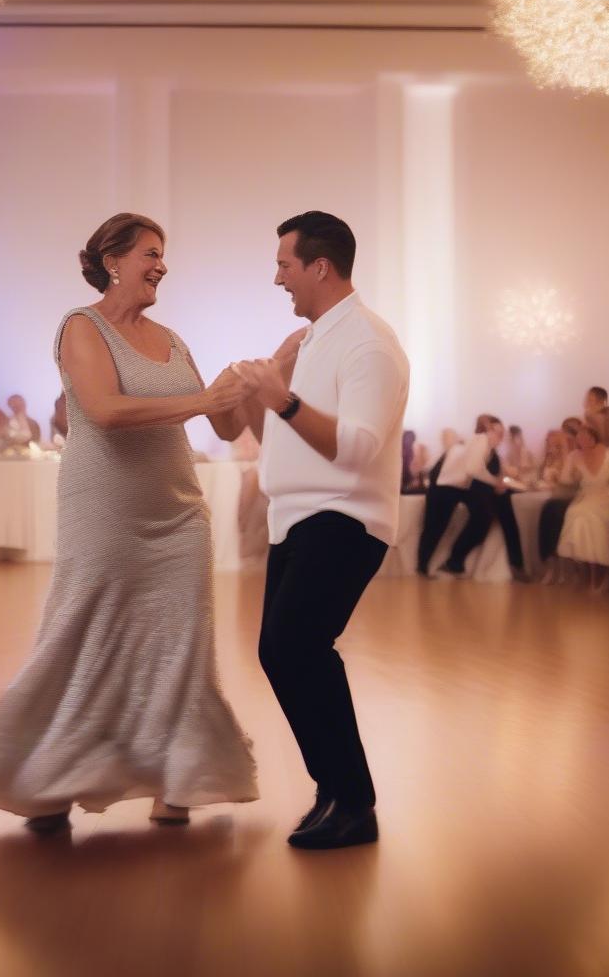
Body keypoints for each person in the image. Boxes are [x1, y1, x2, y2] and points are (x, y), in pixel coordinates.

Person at [0, 212, 258, 834]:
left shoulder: (171, 337)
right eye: (150, 252)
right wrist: (203, 399)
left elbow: (224, 426)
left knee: (181, 646)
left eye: (163, 253)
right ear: (112, 260)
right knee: (86, 633)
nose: (161, 264)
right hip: (105, 509)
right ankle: (51, 780)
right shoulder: (80, 327)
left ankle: (178, 779)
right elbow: (104, 410)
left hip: (179, 513)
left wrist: (249, 383)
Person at [232, 210, 409, 851]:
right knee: (281, 652)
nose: (278, 278)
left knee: (298, 648)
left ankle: (355, 804)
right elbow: (275, 428)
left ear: (320, 267)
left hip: (345, 516)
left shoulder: (368, 343)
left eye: (285, 264)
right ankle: (335, 790)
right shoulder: (313, 341)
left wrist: (280, 397)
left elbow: (359, 447)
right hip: (300, 516)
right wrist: (265, 390)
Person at [419, 415, 526, 581]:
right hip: (444, 487)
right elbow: (473, 469)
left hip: (457, 487)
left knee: (442, 525)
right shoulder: (480, 440)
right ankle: (425, 566)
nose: (500, 436)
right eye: (497, 431)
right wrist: (495, 482)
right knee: (435, 526)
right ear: (488, 430)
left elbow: (478, 471)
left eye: (501, 432)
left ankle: (445, 563)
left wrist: (497, 482)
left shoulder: (488, 449)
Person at [555, 422, 609, 594]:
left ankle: (606, 575)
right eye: (580, 437)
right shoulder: (575, 456)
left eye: (588, 436)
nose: (584, 440)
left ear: (594, 437)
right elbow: (566, 480)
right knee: (576, 514)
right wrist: (572, 471)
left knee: (594, 517)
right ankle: (589, 575)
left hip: (607, 497)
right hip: (586, 497)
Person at [401, 429, 426, 494]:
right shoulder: (406, 451)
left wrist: (415, 478)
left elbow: (417, 467)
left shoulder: (415, 449)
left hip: (410, 482)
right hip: (407, 482)